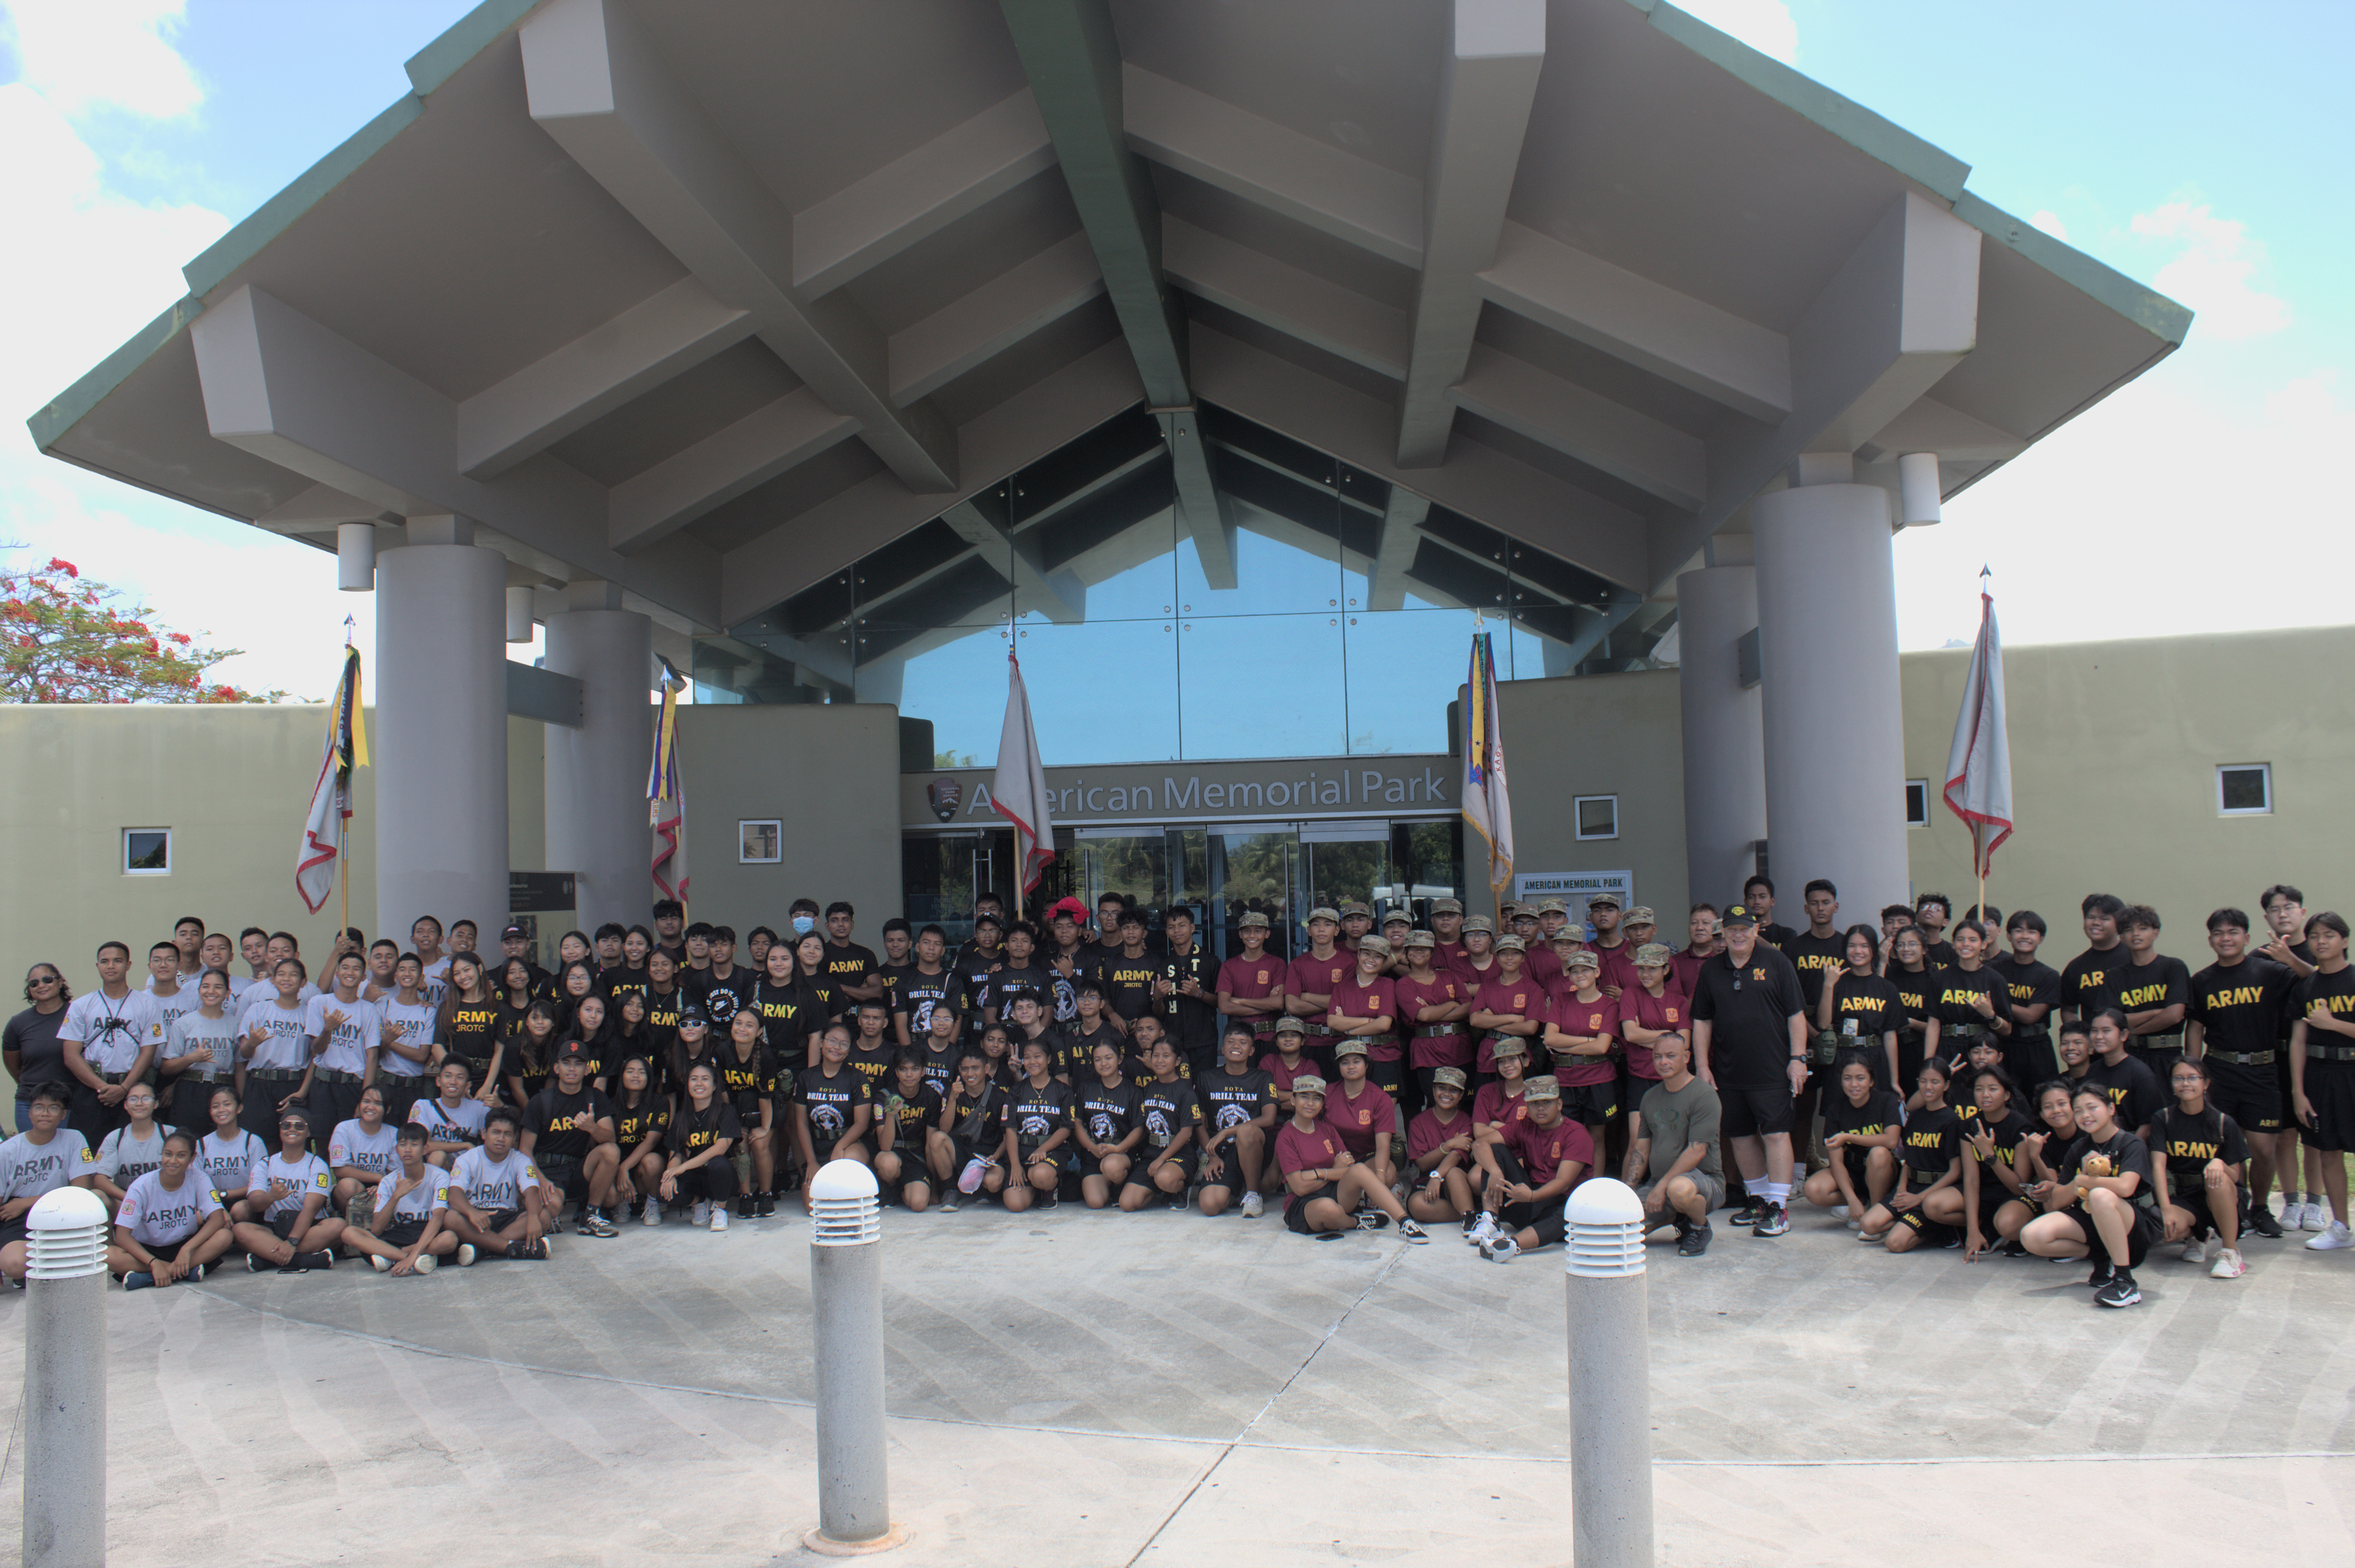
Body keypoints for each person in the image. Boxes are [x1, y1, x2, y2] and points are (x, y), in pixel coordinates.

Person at [1689, 904, 1808, 1237]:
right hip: (1729, 1071)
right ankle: (1758, 1199)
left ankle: (1779, 1206)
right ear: (1723, 933)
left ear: (1756, 930)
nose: (1738, 935)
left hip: (1772, 1069)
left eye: (1745, 928)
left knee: (1774, 1134)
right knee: (1740, 1137)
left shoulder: (1777, 963)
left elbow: (1796, 1014)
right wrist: (1702, 1066)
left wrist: (1798, 1058)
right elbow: (1702, 1019)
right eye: (1732, 929)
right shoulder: (1712, 970)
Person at [2185, 907, 2296, 1239]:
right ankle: (2238, 1207)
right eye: (2219, 933)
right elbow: (2195, 1028)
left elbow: (2313, 980)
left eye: (2233, 932)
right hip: (2219, 1071)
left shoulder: (2271, 972)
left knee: (2263, 1149)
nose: (2226, 938)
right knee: (2225, 1148)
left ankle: (2260, 1208)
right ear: (2210, 940)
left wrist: (2290, 957)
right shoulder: (2202, 980)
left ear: (2247, 938)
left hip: (2263, 1071)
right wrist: (2193, 1074)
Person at [2019, 1085, 2162, 1308]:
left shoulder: (2130, 1143)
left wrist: (2088, 1182)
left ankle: (2125, 1281)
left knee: (2100, 1196)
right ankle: (2101, 1256)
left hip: (2134, 1225)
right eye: (2078, 1111)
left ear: (2111, 1109)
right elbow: (2056, 1201)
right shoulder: (2079, 1148)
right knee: (2031, 1236)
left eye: (2092, 1108)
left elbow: (2126, 1188)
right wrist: (2080, 1179)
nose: (2085, 1115)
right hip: (2093, 1220)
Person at [1273, 1075, 1427, 1241]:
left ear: (1322, 1104)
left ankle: (1405, 1223)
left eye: (1317, 1098)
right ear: (1293, 1100)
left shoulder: (1327, 1129)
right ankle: (1357, 1222)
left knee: (1360, 1170)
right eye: (1304, 1097)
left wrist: (1317, 1173)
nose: (1311, 1103)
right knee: (1330, 1209)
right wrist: (1333, 1170)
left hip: (1334, 1191)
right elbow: (1300, 1187)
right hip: (1302, 1203)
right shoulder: (1286, 1137)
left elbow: (1349, 1170)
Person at [2287, 910, 2355, 1250]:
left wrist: (2333, 1024)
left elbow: (2329, 1025)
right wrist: (2298, 1091)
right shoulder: (2307, 987)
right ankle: (2340, 1227)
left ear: (2344, 940)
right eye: (2314, 936)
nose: (2321, 942)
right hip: (2320, 1074)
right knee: (2329, 1150)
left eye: (2329, 935)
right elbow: (2298, 1042)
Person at [1467, 1076, 1590, 1262]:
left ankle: (1509, 1245)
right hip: (1526, 1199)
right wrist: (1495, 1171)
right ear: (1526, 1106)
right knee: (1496, 1151)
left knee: (1570, 1217)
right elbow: (1479, 1145)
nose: (1540, 1108)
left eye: (1547, 1102)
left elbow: (1563, 1183)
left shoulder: (1576, 1133)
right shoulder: (1524, 1125)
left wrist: (1532, 1196)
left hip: (1560, 1202)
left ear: (1559, 1104)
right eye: (1534, 1103)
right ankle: (1491, 1220)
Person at [1625, 1035, 1724, 1256]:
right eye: (1658, 1056)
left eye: (1671, 1056)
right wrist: (1627, 1193)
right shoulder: (1650, 1097)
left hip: (1704, 1181)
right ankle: (1677, 1216)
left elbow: (1697, 1150)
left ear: (1686, 1057)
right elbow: (1641, 1150)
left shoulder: (1703, 1095)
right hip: (1657, 1184)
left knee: (1678, 1189)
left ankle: (1699, 1227)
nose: (1663, 1062)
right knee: (1620, 1232)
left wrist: (1662, 1188)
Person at [2151, 1058, 2249, 1279]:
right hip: (2185, 1195)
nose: (2186, 1083)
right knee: (2162, 1228)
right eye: (2179, 1078)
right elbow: (2158, 1165)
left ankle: (2230, 1253)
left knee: (2219, 1179)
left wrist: (2220, 1163)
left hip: (2222, 1194)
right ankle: (2199, 1235)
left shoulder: (2224, 1122)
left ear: (2206, 1084)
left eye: (2193, 1078)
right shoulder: (2164, 1118)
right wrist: (2166, 1209)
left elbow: (2235, 1176)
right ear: (2172, 1085)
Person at [59, 940, 164, 1144]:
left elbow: (149, 1052)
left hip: (133, 1090)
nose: (111, 966)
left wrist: (124, 1088)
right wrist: (102, 1088)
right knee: (88, 1152)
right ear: (98, 966)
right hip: (93, 1090)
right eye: (105, 961)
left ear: (129, 965)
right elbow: (70, 1056)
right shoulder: (81, 1006)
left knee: (132, 1150)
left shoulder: (147, 1005)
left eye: (117, 961)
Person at [1856, 1061, 1965, 1253]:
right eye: (1923, 1081)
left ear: (1946, 1085)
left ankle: (1936, 1229)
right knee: (1868, 1224)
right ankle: (1912, 1224)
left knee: (1895, 1244)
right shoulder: (1915, 1117)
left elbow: (1955, 1172)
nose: (1928, 1087)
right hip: (1912, 1186)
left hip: (1934, 1191)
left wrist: (1919, 1198)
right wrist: (1901, 1188)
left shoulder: (1952, 1120)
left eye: (1935, 1082)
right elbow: (1909, 1160)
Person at [107, 1128, 232, 1288]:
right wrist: (153, 1263)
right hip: (147, 1251)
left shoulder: (199, 1179)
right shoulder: (140, 1186)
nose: (173, 1161)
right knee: (108, 1256)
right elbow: (122, 1236)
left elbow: (217, 1219)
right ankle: (181, 1272)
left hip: (183, 1245)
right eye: (168, 1154)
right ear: (162, 1155)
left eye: (181, 1156)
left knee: (225, 1236)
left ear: (192, 1158)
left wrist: (187, 1249)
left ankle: (149, 1278)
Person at [0, 1083, 98, 1283]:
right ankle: (38, 1268)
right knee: (13, 1265)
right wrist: (21, 1206)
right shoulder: (7, 1151)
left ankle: (90, 1258)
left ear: (64, 1114)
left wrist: (26, 1202)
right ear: (29, 1113)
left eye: (53, 1108)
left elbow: (81, 1191)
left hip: (62, 1209)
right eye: (39, 1107)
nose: (45, 1113)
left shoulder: (74, 1139)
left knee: (102, 1200)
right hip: (18, 1217)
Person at [522, 1044, 621, 1236]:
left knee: (611, 1153)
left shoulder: (595, 1098)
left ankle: (590, 1216)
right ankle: (539, 1220)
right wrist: (539, 1180)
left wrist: (592, 1128)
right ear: (557, 1068)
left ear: (587, 1069)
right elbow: (524, 1150)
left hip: (577, 1169)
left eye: (578, 1064)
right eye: (566, 1063)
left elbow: (611, 1138)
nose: (572, 1069)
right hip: (546, 1170)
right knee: (554, 1205)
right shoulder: (540, 1101)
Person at [232, 1108, 343, 1272]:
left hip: (308, 1230)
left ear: (308, 1133)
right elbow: (255, 1205)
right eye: (286, 1125)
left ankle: (268, 1259)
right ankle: (306, 1260)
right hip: (274, 1229)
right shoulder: (265, 1164)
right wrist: (271, 1197)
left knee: (339, 1225)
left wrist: (292, 1242)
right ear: (280, 1130)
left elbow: (311, 1209)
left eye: (299, 1126)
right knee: (239, 1230)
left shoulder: (317, 1165)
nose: (292, 1129)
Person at [443, 1107, 553, 1260]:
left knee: (544, 1216)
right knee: (451, 1218)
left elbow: (532, 1192)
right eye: (496, 1132)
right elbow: (454, 1194)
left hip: (507, 1219)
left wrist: (534, 1217)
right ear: (484, 1133)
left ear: (515, 1138)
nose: (501, 1138)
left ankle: (484, 1250)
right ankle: (511, 1248)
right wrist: (471, 1212)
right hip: (476, 1219)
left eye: (508, 1134)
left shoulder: (521, 1160)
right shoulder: (468, 1159)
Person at [1803, 1058, 1901, 1226]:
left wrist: (1849, 1137)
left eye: (1861, 1078)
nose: (1854, 1084)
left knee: (1878, 1153)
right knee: (1813, 1190)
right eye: (1847, 1078)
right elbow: (1836, 1162)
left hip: (1882, 1170)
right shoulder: (1835, 1110)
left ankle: (1876, 1214)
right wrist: (1851, 1200)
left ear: (1872, 1081)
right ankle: (1861, 1203)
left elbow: (1891, 1141)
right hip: (1852, 1171)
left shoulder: (1886, 1101)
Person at [1195, 1023, 1276, 1217]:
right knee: (1210, 1206)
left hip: (1254, 1147)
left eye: (1243, 1042)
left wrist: (1227, 1131)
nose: (1236, 1046)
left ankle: (1253, 1194)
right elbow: (1199, 1123)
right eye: (1230, 1042)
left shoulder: (1263, 1078)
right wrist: (1212, 1156)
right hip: (1223, 1152)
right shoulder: (1207, 1078)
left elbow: (1269, 1118)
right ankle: (1235, 1187)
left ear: (1252, 1051)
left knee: (1246, 1131)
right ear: (1222, 1049)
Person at [1541, 949, 1618, 1150]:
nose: (1580, 975)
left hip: (1598, 1078)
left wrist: (1562, 1045)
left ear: (1597, 972)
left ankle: (1594, 1183)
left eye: (1586, 970)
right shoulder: (1561, 999)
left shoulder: (1609, 1005)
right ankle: (1571, 1182)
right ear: (1569, 975)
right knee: (1567, 1136)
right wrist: (1587, 1040)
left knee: (1596, 1138)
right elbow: (1550, 1039)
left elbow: (1602, 1046)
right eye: (1575, 971)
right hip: (1565, 1078)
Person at [793, 1023, 876, 1206]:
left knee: (848, 1162)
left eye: (843, 1044)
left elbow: (861, 1123)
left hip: (850, 1144)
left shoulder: (857, 1078)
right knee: (812, 1206)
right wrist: (812, 1162)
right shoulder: (806, 1078)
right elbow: (801, 1124)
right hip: (818, 1146)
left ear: (849, 1051)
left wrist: (840, 1146)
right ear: (822, 1043)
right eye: (832, 1041)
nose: (836, 1048)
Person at [1959, 1066, 2036, 1260]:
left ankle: (2010, 1235)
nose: (1986, 1095)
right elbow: (1971, 1179)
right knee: (1935, 1205)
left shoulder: (2020, 1127)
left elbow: (2020, 1188)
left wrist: (1991, 1157)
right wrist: (1972, 1230)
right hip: (1985, 1193)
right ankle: (1984, 1229)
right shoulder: (1969, 1125)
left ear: (2007, 1095)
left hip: (2012, 1196)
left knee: (2008, 1224)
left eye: (1993, 1089)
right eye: (1979, 1089)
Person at [1120, 1038, 1203, 1212]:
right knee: (1127, 1203)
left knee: (1165, 1178)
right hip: (1153, 1151)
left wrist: (1161, 1160)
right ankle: (1159, 1187)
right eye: (1156, 1056)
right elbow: (1143, 1127)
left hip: (1180, 1153)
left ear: (1178, 1061)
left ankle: (1179, 1189)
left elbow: (1187, 1133)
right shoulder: (1149, 1088)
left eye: (1166, 1056)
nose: (1160, 1060)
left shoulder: (1186, 1091)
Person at [237, 959, 315, 1143]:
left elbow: (316, 1057)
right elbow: (244, 1053)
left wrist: (302, 1093)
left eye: (293, 974)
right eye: (281, 974)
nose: (286, 979)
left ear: (303, 982)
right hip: (259, 1084)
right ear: (273, 980)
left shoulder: (310, 1013)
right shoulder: (258, 1009)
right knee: (257, 1141)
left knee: (291, 1142)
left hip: (293, 1084)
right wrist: (252, 1043)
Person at [1815, 925, 1900, 1093]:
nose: (1858, 951)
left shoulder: (1887, 988)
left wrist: (1894, 1080)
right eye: (1852, 946)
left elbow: (1890, 1036)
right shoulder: (1836, 982)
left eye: (1864, 946)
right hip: (1842, 1057)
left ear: (1874, 950)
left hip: (1875, 1056)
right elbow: (1823, 1024)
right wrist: (1828, 984)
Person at [304, 950, 381, 1137]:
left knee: (352, 1138)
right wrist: (328, 1029)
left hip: (353, 1085)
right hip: (324, 1083)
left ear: (363, 977)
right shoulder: (319, 1003)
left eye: (356, 969)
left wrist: (366, 1098)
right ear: (337, 973)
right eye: (345, 968)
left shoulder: (369, 1010)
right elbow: (316, 1049)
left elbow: (372, 1057)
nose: (350, 973)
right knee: (322, 1140)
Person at [714, 1007, 781, 1219]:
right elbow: (724, 1094)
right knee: (740, 1144)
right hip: (736, 1110)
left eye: (749, 1025)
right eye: (738, 1023)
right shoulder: (722, 1051)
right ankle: (745, 1197)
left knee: (760, 1144)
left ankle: (765, 1194)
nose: (742, 1028)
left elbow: (766, 1097)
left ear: (760, 1031)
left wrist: (764, 1128)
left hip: (765, 1110)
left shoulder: (767, 1055)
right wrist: (735, 1126)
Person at [660, 1062, 740, 1231]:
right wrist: (670, 1175)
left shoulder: (726, 1111)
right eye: (694, 1079)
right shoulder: (682, 1117)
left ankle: (720, 1209)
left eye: (705, 1079)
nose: (699, 1084)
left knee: (718, 1163)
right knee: (666, 1190)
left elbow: (720, 1149)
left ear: (714, 1086)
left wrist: (682, 1168)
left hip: (721, 1177)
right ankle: (700, 1203)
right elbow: (675, 1153)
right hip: (695, 1178)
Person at [2116, 905, 2194, 1080]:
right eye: (2129, 930)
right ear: (2121, 938)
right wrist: (2156, 1012)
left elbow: (2174, 1016)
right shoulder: (2115, 976)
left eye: (2143, 929)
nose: (2136, 934)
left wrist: (2134, 1032)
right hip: (2130, 1054)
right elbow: (2115, 1021)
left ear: (2155, 933)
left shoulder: (2174, 967)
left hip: (2168, 1054)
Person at [1395, 930, 1472, 1103]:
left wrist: (1434, 1011)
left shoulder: (1449, 975)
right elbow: (1424, 1015)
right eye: (1413, 949)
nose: (1419, 952)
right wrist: (1452, 1004)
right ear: (1406, 954)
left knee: (1465, 1104)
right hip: (1428, 1051)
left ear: (1432, 953)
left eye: (1424, 948)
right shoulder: (1403, 985)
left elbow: (1468, 1007)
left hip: (1459, 1047)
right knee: (1438, 1102)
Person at [1991, 912, 2063, 1094]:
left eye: (2032, 932)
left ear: (2041, 938)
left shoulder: (2048, 975)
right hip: (2003, 1043)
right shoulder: (1994, 971)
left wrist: (1998, 1001)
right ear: (2008, 936)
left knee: (2042, 1098)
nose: (2024, 936)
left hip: (2037, 1047)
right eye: (2018, 930)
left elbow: (2031, 1016)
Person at [1000, 1039, 1075, 1213]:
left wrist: (1043, 1149)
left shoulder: (1062, 1091)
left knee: (1041, 1175)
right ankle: (1033, 1187)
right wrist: (1016, 1165)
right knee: (1015, 1205)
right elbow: (1010, 1129)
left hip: (1051, 1150)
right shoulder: (1017, 1090)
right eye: (1027, 1058)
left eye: (1037, 1057)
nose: (1032, 1062)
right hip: (1022, 1150)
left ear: (1049, 1059)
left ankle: (1048, 1189)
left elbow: (1067, 1128)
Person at [1326, 934, 1401, 1100]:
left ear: (1384, 960)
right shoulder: (1342, 987)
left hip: (1384, 1055)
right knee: (1356, 1107)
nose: (1371, 960)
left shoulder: (1387, 985)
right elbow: (1332, 1021)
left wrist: (1349, 1029)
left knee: (1385, 1108)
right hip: (1353, 1056)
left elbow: (1383, 1024)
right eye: (1367, 954)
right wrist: (1368, 1021)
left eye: (1378, 956)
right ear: (1359, 954)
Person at [1071, 1039, 1144, 1210]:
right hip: (1093, 1153)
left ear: (1120, 1059)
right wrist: (1091, 1147)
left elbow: (1139, 1129)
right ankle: (1108, 1185)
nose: (1104, 1064)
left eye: (1109, 1058)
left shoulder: (1132, 1091)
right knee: (1095, 1202)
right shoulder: (1086, 1088)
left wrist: (1119, 1149)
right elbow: (1078, 1123)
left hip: (1120, 1153)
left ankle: (1120, 1184)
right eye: (1098, 1060)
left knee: (1111, 1166)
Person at [1404, 1065, 1479, 1228]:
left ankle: (1469, 1219)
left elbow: (1457, 1156)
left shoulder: (1466, 1121)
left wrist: (1437, 1176)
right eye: (1442, 1088)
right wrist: (1449, 1144)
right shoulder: (1418, 1122)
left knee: (1452, 1173)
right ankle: (1472, 1213)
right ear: (1433, 1090)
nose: (1446, 1094)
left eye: (1454, 1090)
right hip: (1428, 1181)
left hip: (1459, 1182)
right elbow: (1422, 1163)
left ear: (1461, 1096)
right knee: (1416, 1204)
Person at [1468, 934, 1546, 1089]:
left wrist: (1491, 1022)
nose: (1509, 958)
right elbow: (1475, 1020)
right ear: (1497, 958)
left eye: (1516, 953)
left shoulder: (1533, 988)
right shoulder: (1487, 986)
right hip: (1489, 1056)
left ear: (1523, 958)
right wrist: (1513, 1018)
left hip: (1520, 1057)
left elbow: (1530, 1028)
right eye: (1504, 953)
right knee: (1489, 1104)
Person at [1321, 1041, 1400, 1192]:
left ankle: (1368, 1191)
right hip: (1334, 1157)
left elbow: (1383, 1145)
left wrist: (1381, 1177)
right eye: (1345, 1063)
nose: (1351, 1067)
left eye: (1357, 1062)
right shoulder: (1328, 1092)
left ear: (1367, 1065)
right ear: (1339, 1067)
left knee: (1389, 1174)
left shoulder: (1380, 1098)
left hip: (1367, 1158)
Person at [872, 1052, 945, 1213]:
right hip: (892, 1153)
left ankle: (902, 1192)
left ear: (924, 1071)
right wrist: (891, 1114)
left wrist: (933, 1189)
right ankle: (890, 1187)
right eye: (903, 1069)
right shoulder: (884, 1096)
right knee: (889, 1164)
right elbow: (885, 1146)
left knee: (919, 1204)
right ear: (897, 1072)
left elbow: (930, 1144)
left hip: (916, 1156)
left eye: (915, 1069)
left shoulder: (931, 1096)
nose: (909, 1074)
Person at [372, 953, 439, 1125]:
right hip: (386, 1084)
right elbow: (376, 1054)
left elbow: (422, 1056)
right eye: (402, 969)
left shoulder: (428, 1012)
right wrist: (385, 1043)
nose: (407, 973)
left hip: (415, 1088)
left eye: (413, 970)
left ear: (421, 976)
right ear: (396, 975)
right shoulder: (383, 1007)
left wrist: (389, 1041)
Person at [1153, 907, 1221, 1078]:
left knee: (1204, 1089)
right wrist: (1158, 998)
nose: (1177, 931)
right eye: (1171, 927)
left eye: (1182, 926)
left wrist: (1199, 993)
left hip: (1204, 1041)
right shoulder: (1162, 965)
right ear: (1167, 932)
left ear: (1192, 928)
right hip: (1173, 1043)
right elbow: (1158, 1013)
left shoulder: (1211, 961)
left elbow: (1222, 1003)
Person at [1284, 908, 1352, 1074]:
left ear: (1337, 930)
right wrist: (1333, 1002)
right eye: (1316, 925)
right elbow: (1292, 1007)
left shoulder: (1349, 963)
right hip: (1307, 1042)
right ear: (1309, 930)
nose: (1321, 929)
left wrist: (1307, 997)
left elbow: (1349, 1005)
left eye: (1328, 925)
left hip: (1340, 1041)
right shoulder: (1297, 965)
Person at [938, 1051, 1010, 1209]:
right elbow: (944, 1130)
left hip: (990, 1154)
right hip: (963, 1149)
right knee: (937, 1139)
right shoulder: (953, 1092)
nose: (969, 1074)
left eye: (975, 1068)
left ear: (986, 1069)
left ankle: (984, 1190)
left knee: (993, 1182)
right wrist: (952, 1098)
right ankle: (951, 1190)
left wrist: (996, 1156)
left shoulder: (1000, 1097)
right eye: (964, 1069)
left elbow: (1008, 1137)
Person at [6, 963, 72, 1135]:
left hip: (72, 1103)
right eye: (34, 983)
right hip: (30, 1103)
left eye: (47, 980)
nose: (41, 985)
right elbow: (14, 1066)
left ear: (60, 982)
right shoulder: (18, 1023)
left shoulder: (80, 1015)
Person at [2080, 1008, 2165, 1140]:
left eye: (2106, 1031)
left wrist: (2127, 1150)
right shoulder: (2093, 1070)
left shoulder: (2141, 1073)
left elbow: (2149, 1124)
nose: (2098, 1037)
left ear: (2124, 1035)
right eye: (2094, 1031)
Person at [325, 1084, 400, 1229]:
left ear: (388, 1109)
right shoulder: (345, 1129)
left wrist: (381, 1186)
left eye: (378, 1104)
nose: (371, 1107)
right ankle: (347, 1221)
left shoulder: (394, 1134)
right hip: (353, 1188)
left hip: (381, 1188)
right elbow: (340, 1170)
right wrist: (378, 1178)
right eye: (366, 1102)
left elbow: (395, 1174)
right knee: (347, 1186)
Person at [92, 1080, 171, 1211]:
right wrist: (131, 1198)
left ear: (156, 1104)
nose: (139, 1103)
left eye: (146, 1099)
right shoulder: (116, 1137)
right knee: (97, 1197)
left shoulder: (170, 1134)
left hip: (165, 1200)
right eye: (133, 1099)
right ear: (125, 1105)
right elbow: (100, 1179)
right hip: (127, 1201)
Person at [608, 1056, 667, 1223]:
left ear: (649, 1078)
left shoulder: (659, 1102)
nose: (636, 1076)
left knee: (652, 1161)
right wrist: (620, 1169)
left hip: (644, 1171)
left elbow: (651, 1142)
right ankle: (622, 1201)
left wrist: (624, 1168)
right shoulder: (611, 1105)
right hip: (618, 1167)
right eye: (630, 1071)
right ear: (622, 1076)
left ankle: (652, 1203)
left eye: (642, 1072)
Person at [436, 954, 504, 1099]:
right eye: (457, 974)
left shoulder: (498, 1007)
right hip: (458, 1080)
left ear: (479, 969)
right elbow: (437, 1047)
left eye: (467, 970)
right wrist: (456, 1079)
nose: (463, 976)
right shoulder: (447, 1008)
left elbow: (500, 1050)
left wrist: (488, 1086)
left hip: (488, 1077)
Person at [195, 1083, 268, 1216]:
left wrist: (226, 1194)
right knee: (198, 1216)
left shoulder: (253, 1142)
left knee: (240, 1211)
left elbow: (259, 1183)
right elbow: (197, 1184)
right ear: (210, 1112)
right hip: (212, 1201)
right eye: (215, 1107)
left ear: (239, 1108)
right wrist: (218, 1204)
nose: (221, 1110)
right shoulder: (201, 1145)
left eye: (227, 1104)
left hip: (245, 1201)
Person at [1886, 926, 1944, 1088]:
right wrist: (1883, 963)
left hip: (1922, 1050)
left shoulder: (1935, 980)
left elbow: (1940, 1027)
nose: (1906, 949)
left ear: (1925, 949)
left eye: (1912, 944)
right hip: (1893, 1050)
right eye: (1901, 945)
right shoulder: (1890, 976)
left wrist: (1911, 1023)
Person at [2060, 894, 2131, 1022]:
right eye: (2091, 918)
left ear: (2119, 924)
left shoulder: (2133, 958)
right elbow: (2068, 1010)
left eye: (2104, 918)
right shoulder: (2075, 967)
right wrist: (2083, 1037)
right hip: (2094, 1040)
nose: (2096, 923)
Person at [887, 924, 959, 1050]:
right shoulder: (904, 981)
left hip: (944, 1048)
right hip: (913, 1047)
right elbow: (901, 1024)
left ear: (943, 951)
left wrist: (947, 1053)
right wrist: (909, 1055)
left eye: (937, 944)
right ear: (918, 947)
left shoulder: (953, 981)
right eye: (926, 943)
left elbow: (957, 1021)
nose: (931, 948)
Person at [409, 1058, 490, 1169]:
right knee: (438, 1155)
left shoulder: (479, 1109)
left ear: (468, 1086)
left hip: (468, 1169)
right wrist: (465, 1145)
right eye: (448, 1076)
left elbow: (496, 1137)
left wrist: (501, 1107)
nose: (453, 1082)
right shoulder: (423, 1106)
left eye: (460, 1078)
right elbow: (422, 1145)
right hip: (438, 1170)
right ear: (438, 1081)